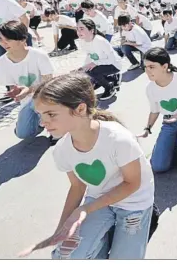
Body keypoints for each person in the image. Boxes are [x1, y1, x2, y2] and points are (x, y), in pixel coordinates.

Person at [19, 73, 155, 259]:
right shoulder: (62, 150)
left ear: (80, 109)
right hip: (99, 199)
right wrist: (61, 229)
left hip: (134, 202)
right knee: (64, 256)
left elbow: (132, 184)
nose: (43, 123)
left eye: (51, 114)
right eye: (40, 115)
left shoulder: (118, 139)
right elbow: (77, 186)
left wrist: (85, 209)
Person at [139, 47, 177, 173]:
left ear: (164, 66)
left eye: (152, 67)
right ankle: (174, 145)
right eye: (145, 67)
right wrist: (147, 128)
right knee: (158, 167)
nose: (147, 71)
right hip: (168, 122)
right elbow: (154, 110)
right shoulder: (150, 88)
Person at [0, 20, 55, 142]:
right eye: (0, 39)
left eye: (8, 39)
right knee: (22, 134)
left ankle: (56, 127)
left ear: (22, 39)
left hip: (47, 97)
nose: (4, 43)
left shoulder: (39, 55)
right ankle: (41, 120)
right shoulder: (2, 61)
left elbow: (49, 82)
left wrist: (29, 90)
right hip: (27, 102)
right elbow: (12, 86)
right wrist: (15, 92)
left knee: (39, 102)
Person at [77, 19, 122, 101]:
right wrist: (83, 67)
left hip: (114, 64)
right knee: (87, 71)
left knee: (92, 72)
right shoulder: (82, 41)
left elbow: (112, 59)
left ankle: (110, 87)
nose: (78, 31)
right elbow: (89, 55)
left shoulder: (101, 41)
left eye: (82, 29)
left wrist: (95, 63)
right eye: (77, 29)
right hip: (101, 64)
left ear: (91, 30)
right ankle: (113, 78)